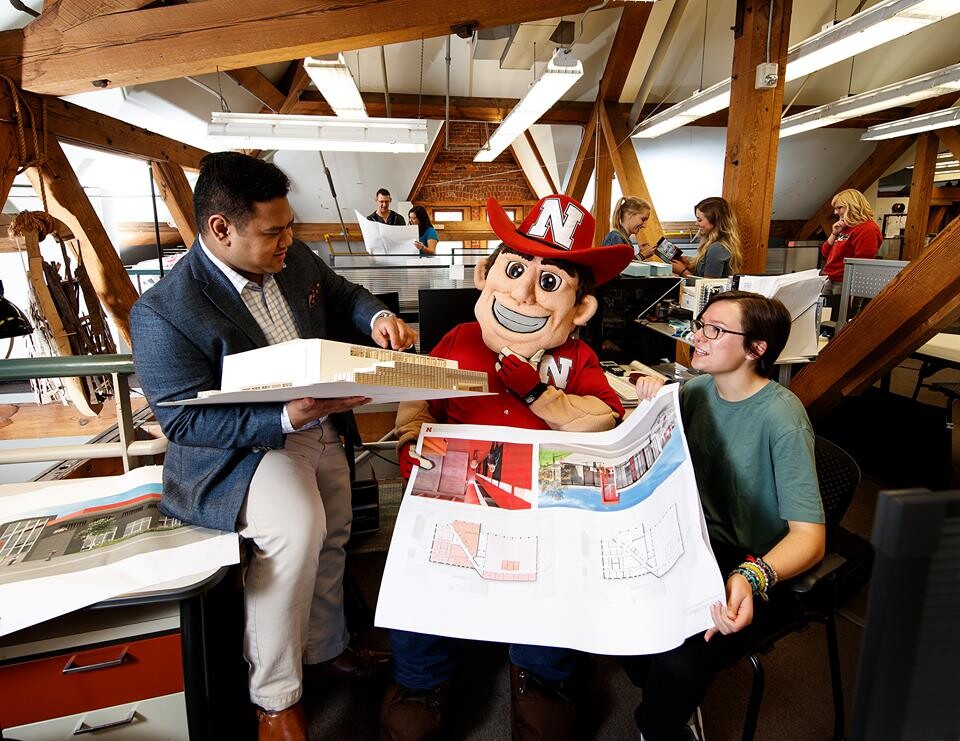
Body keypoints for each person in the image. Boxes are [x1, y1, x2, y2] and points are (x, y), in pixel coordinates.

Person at [130, 152, 417, 741]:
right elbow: (182, 423)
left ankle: (325, 647)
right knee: (298, 529)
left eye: (290, 226)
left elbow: (341, 295)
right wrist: (284, 415)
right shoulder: (163, 310)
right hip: (248, 449)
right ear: (220, 229)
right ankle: (275, 698)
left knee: (338, 529)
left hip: (321, 426)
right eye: (273, 231)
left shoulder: (292, 256)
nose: (289, 239)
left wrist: (377, 315)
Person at [382, 194, 634, 741]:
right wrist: (411, 438)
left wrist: (541, 394)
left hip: (541, 501)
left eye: (549, 282)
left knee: (551, 579)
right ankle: (421, 679)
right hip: (456, 486)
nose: (522, 293)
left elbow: (606, 418)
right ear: (487, 274)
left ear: (580, 308)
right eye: (515, 271)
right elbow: (417, 395)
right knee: (426, 575)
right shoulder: (460, 340)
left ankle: (543, 677)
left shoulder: (577, 360)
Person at [628, 290, 826, 741]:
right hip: (694, 537)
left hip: (745, 557)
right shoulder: (698, 390)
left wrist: (751, 576)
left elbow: (810, 538)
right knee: (618, 602)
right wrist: (650, 403)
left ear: (756, 350)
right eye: (701, 325)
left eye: (715, 330)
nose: (698, 336)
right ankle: (666, 698)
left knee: (678, 657)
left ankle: (659, 724)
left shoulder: (782, 417)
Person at [820, 188, 882, 295]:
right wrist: (834, 233)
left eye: (839, 208)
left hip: (846, 281)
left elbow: (863, 260)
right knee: (825, 310)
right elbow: (825, 252)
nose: (836, 212)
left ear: (852, 206)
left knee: (842, 311)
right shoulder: (844, 226)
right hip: (831, 279)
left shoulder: (867, 229)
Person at [671, 196, 743, 279]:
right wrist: (688, 264)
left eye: (699, 220)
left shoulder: (717, 248)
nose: (696, 224)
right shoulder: (715, 244)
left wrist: (682, 271)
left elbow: (708, 285)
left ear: (715, 221)